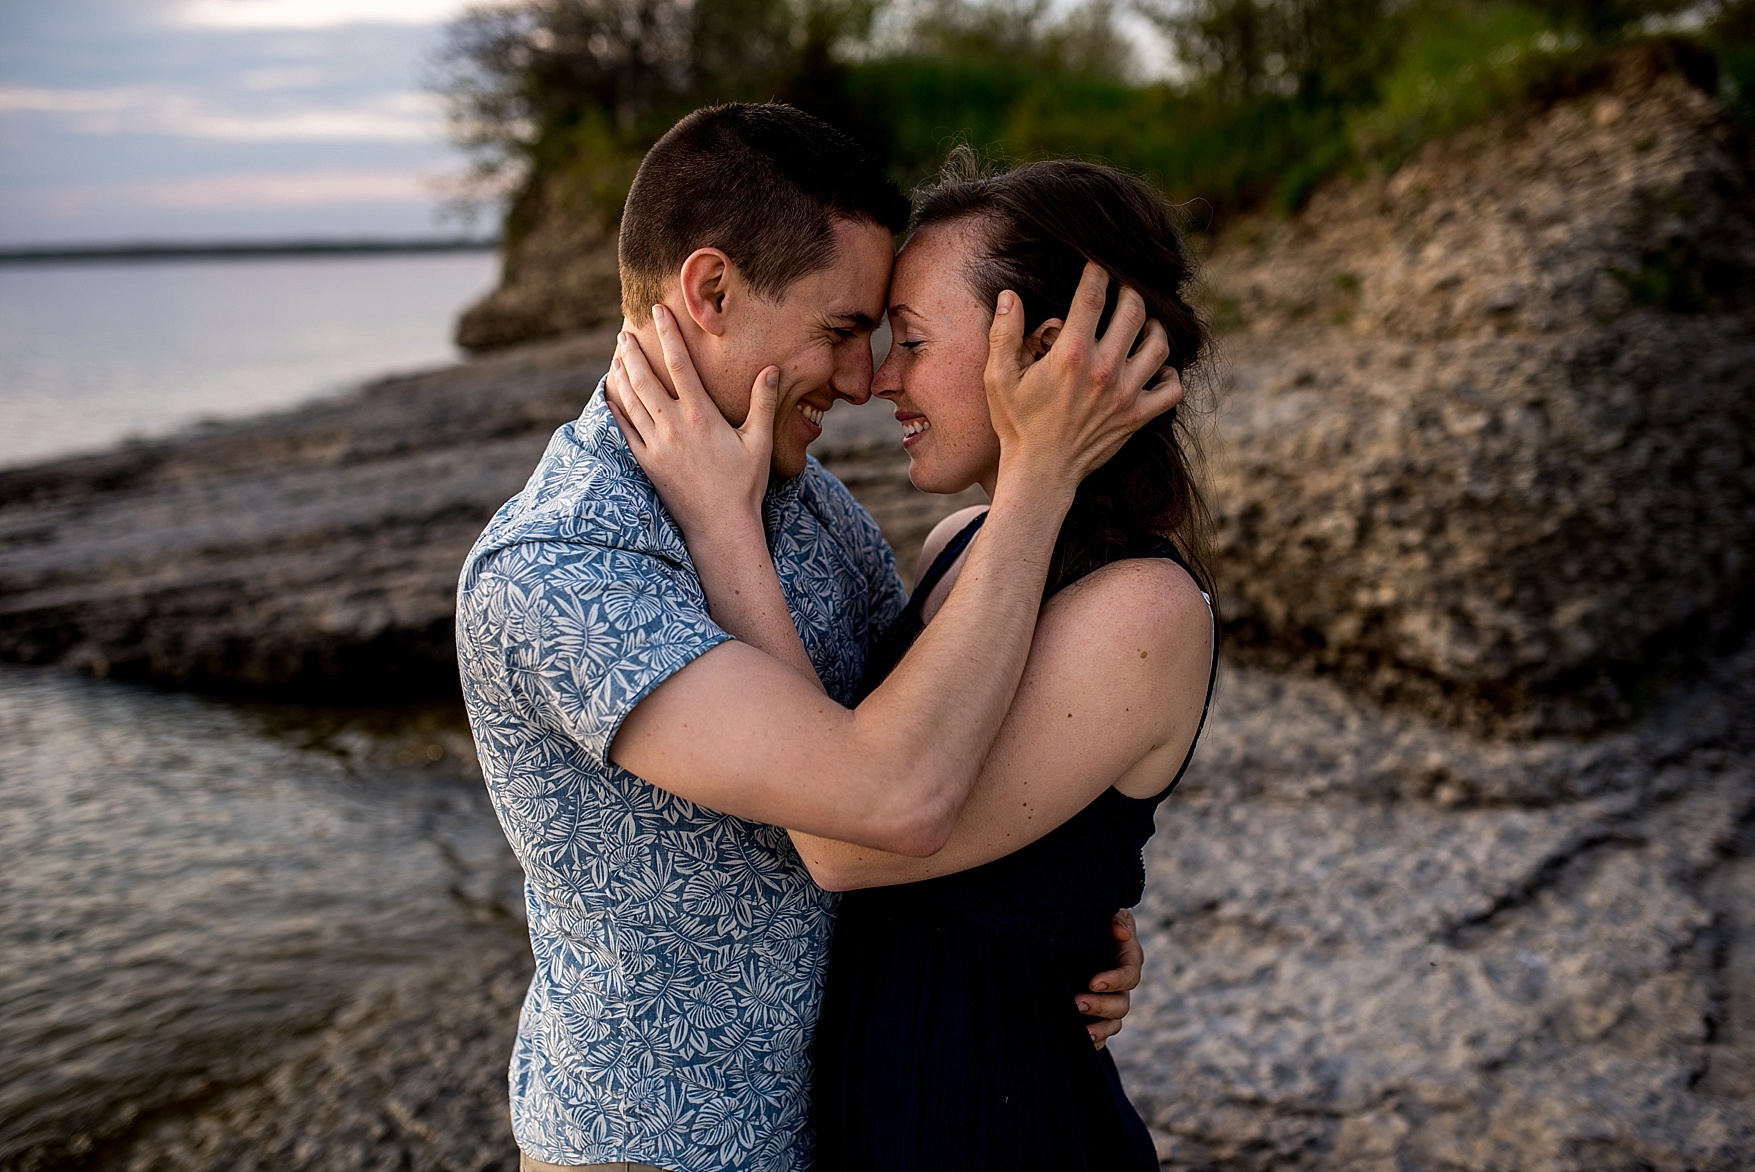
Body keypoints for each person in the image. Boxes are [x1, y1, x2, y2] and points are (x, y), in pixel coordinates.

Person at [455, 104, 1179, 1171]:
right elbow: (874, 805)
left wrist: (1061, 909)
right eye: (842, 330)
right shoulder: (564, 570)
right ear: (709, 292)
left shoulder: (808, 505)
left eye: (888, 336)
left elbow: (942, 722)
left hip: (845, 1124)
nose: (860, 379)